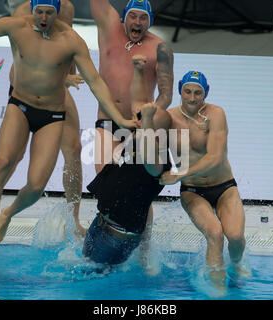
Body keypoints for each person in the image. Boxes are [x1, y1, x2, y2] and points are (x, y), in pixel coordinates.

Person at [0, 0, 137, 254]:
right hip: (20, 104)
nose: (42, 17)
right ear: (32, 9)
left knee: (37, 185)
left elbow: (95, 81)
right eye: (39, 11)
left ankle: (9, 212)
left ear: (57, 11)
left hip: (52, 111)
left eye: (48, 13)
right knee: (5, 160)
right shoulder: (17, 23)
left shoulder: (71, 39)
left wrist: (120, 118)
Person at [0, 0, 87, 238]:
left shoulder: (67, 8)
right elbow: (33, 57)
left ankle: (72, 220)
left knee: (74, 149)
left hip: (57, 89)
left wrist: (70, 76)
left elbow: (66, 47)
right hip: (25, 90)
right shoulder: (24, 11)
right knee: (14, 156)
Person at [90, 0, 174, 266]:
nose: (137, 23)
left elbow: (166, 94)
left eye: (143, 18)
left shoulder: (160, 48)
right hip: (108, 121)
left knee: (140, 191)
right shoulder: (108, 27)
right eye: (133, 17)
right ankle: (102, 242)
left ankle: (144, 250)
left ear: (150, 20)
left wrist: (149, 114)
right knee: (106, 185)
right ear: (124, 17)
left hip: (138, 126)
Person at [159, 71, 249, 293]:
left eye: (198, 93)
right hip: (193, 190)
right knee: (215, 234)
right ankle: (218, 290)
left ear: (205, 93)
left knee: (235, 237)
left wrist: (178, 174)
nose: (192, 98)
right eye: (187, 92)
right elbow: (147, 137)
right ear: (180, 90)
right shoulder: (168, 118)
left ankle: (237, 264)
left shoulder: (216, 114)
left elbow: (215, 157)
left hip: (224, 186)